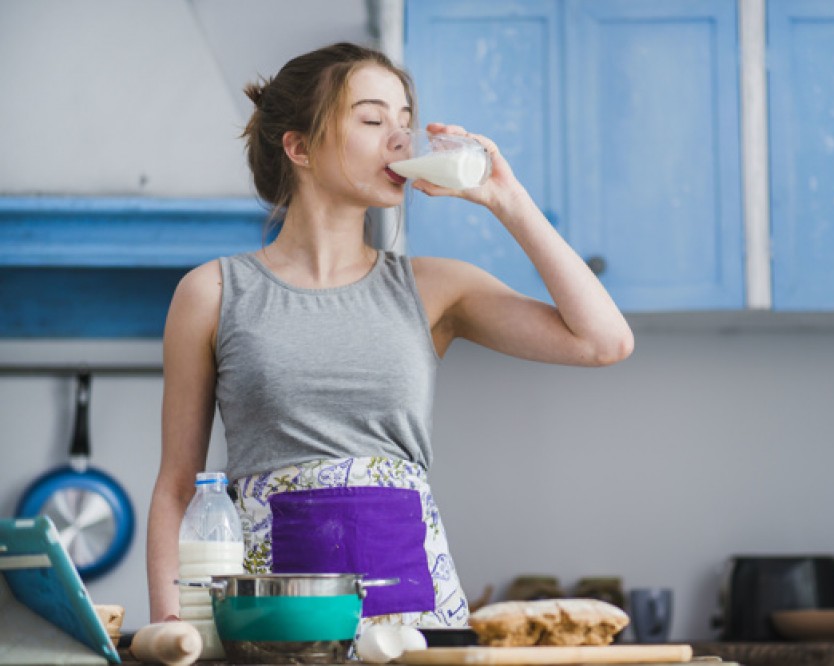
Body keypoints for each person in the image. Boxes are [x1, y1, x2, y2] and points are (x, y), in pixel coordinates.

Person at [147, 42, 633, 629]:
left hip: (418, 629)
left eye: (405, 121)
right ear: (299, 147)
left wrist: (507, 198)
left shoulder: (435, 288)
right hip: (271, 624)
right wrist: (171, 627)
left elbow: (603, 342)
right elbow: (179, 488)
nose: (402, 140)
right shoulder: (214, 293)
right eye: (373, 121)